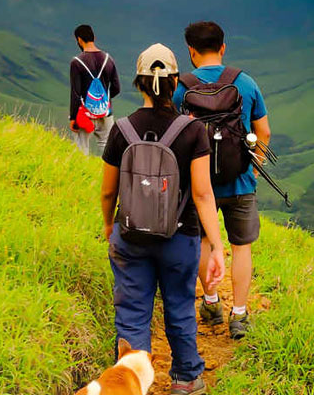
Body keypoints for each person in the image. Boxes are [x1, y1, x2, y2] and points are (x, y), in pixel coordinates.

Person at [101, 43, 225, 395]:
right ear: (175, 83)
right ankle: (186, 378)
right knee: (180, 308)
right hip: (180, 237)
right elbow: (202, 194)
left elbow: (109, 192)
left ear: (139, 84)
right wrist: (216, 246)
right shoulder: (192, 130)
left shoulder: (121, 130)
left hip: (131, 236)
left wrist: (111, 226)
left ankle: (128, 385)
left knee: (132, 312)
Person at [173, 21, 271, 340]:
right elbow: (264, 132)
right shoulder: (245, 83)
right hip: (240, 181)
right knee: (241, 248)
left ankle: (212, 303)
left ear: (191, 51)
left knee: (203, 242)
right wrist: (253, 168)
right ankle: (239, 315)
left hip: (198, 186)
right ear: (223, 47)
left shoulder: (181, 88)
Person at [70, 24, 121, 155]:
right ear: (94, 37)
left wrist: (73, 117)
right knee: (108, 151)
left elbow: (75, 93)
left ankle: (82, 175)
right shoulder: (109, 59)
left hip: (84, 114)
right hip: (106, 113)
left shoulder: (76, 62)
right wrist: (103, 101)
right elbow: (116, 88)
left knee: (81, 150)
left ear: (79, 40)